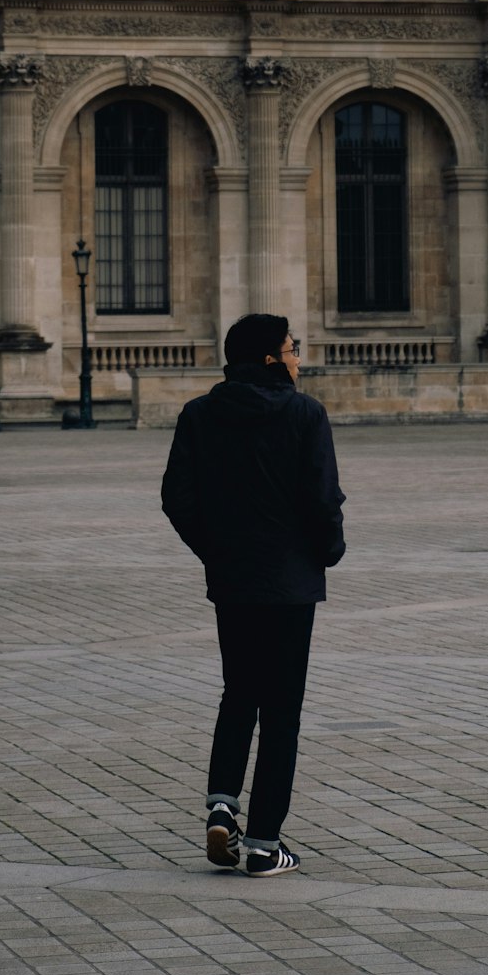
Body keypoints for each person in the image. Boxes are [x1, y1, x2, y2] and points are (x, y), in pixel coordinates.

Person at [161, 313, 346, 877]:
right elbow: (321, 499)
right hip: (290, 585)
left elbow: (177, 498)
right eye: (291, 349)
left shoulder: (198, 414)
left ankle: (222, 804)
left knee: (238, 694)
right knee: (282, 712)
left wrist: (216, 552)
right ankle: (265, 844)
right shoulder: (305, 413)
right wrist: (328, 552)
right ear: (270, 358)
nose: (297, 357)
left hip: (235, 581)